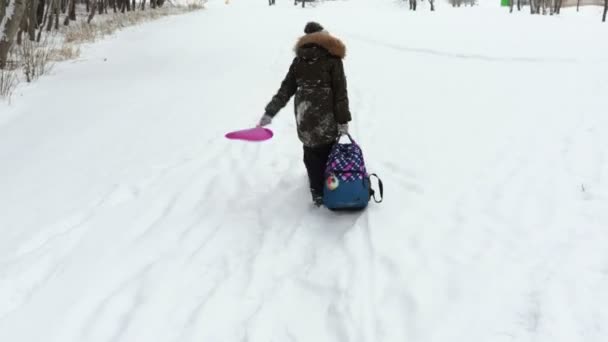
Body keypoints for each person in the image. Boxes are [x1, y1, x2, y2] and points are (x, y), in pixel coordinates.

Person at [258, 21, 352, 206]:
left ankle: (316, 191)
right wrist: (342, 121)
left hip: (304, 113)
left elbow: (286, 89)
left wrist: (270, 111)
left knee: (310, 150)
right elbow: (340, 93)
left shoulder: (298, 61)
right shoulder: (333, 60)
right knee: (328, 149)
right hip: (326, 113)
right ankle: (331, 187)